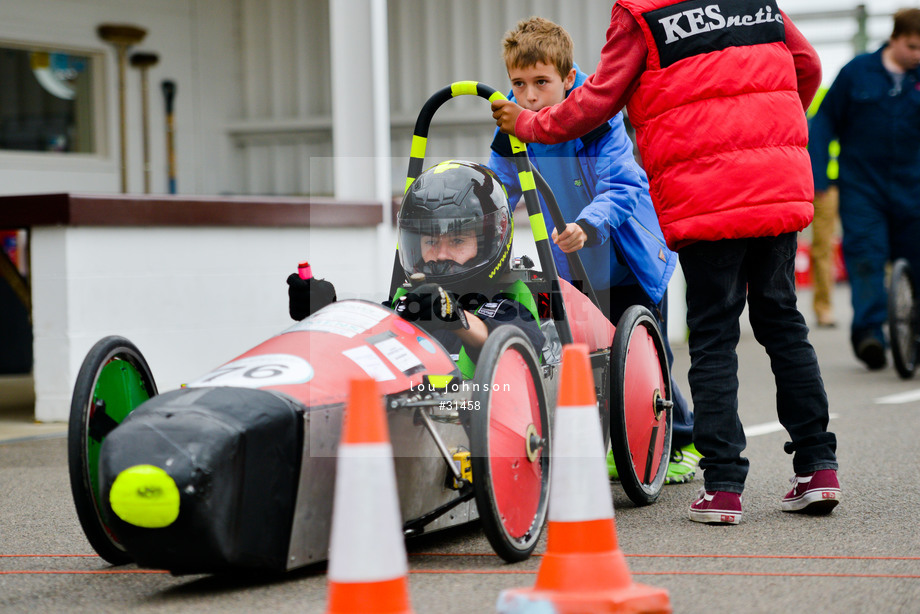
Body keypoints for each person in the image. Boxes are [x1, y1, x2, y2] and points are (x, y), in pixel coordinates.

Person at [492, 0, 839, 524]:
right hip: (774, 178)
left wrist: (527, 123)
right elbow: (807, 66)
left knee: (714, 334)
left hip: (705, 191)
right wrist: (770, 134)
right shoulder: (756, 3)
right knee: (783, 324)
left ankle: (722, 486)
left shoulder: (640, 15)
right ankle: (818, 469)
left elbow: (597, 101)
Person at [487, 16, 698, 484]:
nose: (529, 96)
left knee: (644, 354)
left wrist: (588, 222)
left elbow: (623, 185)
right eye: (518, 84)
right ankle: (618, 440)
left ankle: (682, 438)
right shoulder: (513, 126)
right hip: (575, 263)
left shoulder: (598, 119)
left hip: (627, 256)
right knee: (593, 355)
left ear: (567, 78)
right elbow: (498, 189)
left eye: (542, 82)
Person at [288, 160, 544, 378]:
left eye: (457, 241)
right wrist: (325, 315)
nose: (441, 255)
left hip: (476, 423)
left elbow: (517, 343)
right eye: (431, 241)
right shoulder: (405, 305)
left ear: (491, 239)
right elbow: (356, 347)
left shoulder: (510, 307)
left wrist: (454, 317)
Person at [809, 8, 920, 370]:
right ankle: (869, 334)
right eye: (912, 47)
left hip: (913, 188)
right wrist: (818, 177)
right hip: (863, 189)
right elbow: (823, 122)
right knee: (866, 259)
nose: (917, 55)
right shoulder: (857, 72)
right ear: (894, 39)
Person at [806, 87, 841, 329]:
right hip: (817, 185)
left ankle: (824, 307)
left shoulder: (825, 95)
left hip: (832, 185)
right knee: (822, 248)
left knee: (823, 248)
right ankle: (823, 307)